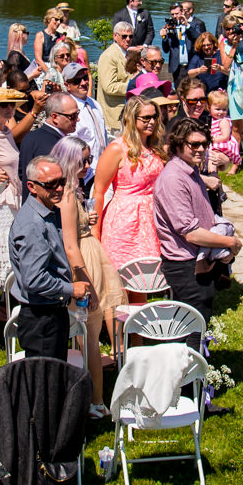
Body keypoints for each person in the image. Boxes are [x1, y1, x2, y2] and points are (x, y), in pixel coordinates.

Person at [51, 136, 116, 408]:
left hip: (90, 257)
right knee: (87, 334)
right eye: (83, 161)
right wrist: (84, 280)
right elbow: (69, 243)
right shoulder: (65, 192)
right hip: (82, 264)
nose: (88, 166)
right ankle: (93, 400)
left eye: (89, 160)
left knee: (89, 331)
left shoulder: (72, 190)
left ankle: (93, 398)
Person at [153, 120, 240, 321]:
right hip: (184, 264)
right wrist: (230, 242)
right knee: (191, 328)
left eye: (204, 144)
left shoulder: (191, 170)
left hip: (198, 260)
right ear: (177, 144)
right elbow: (191, 233)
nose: (201, 149)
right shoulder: (173, 179)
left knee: (201, 321)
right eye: (194, 144)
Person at [10, 157, 88, 361]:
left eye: (61, 182)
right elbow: (34, 280)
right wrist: (72, 289)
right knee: (45, 385)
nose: (59, 189)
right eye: (51, 184)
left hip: (50, 313)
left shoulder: (48, 212)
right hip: (41, 319)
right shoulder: (33, 225)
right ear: (31, 187)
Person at [93, 98, 165, 276]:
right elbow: (99, 191)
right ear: (132, 119)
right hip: (126, 219)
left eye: (154, 117)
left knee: (145, 279)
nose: (152, 122)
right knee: (125, 276)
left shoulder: (155, 147)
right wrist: (94, 229)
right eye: (146, 118)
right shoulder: (117, 149)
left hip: (152, 216)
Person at [96, 22, 134, 129]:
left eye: (130, 36)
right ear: (115, 36)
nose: (128, 39)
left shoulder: (127, 54)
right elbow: (109, 87)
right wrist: (133, 86)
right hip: (113, 117)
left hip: (126, 113)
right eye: (124, 36)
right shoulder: (109, 56)